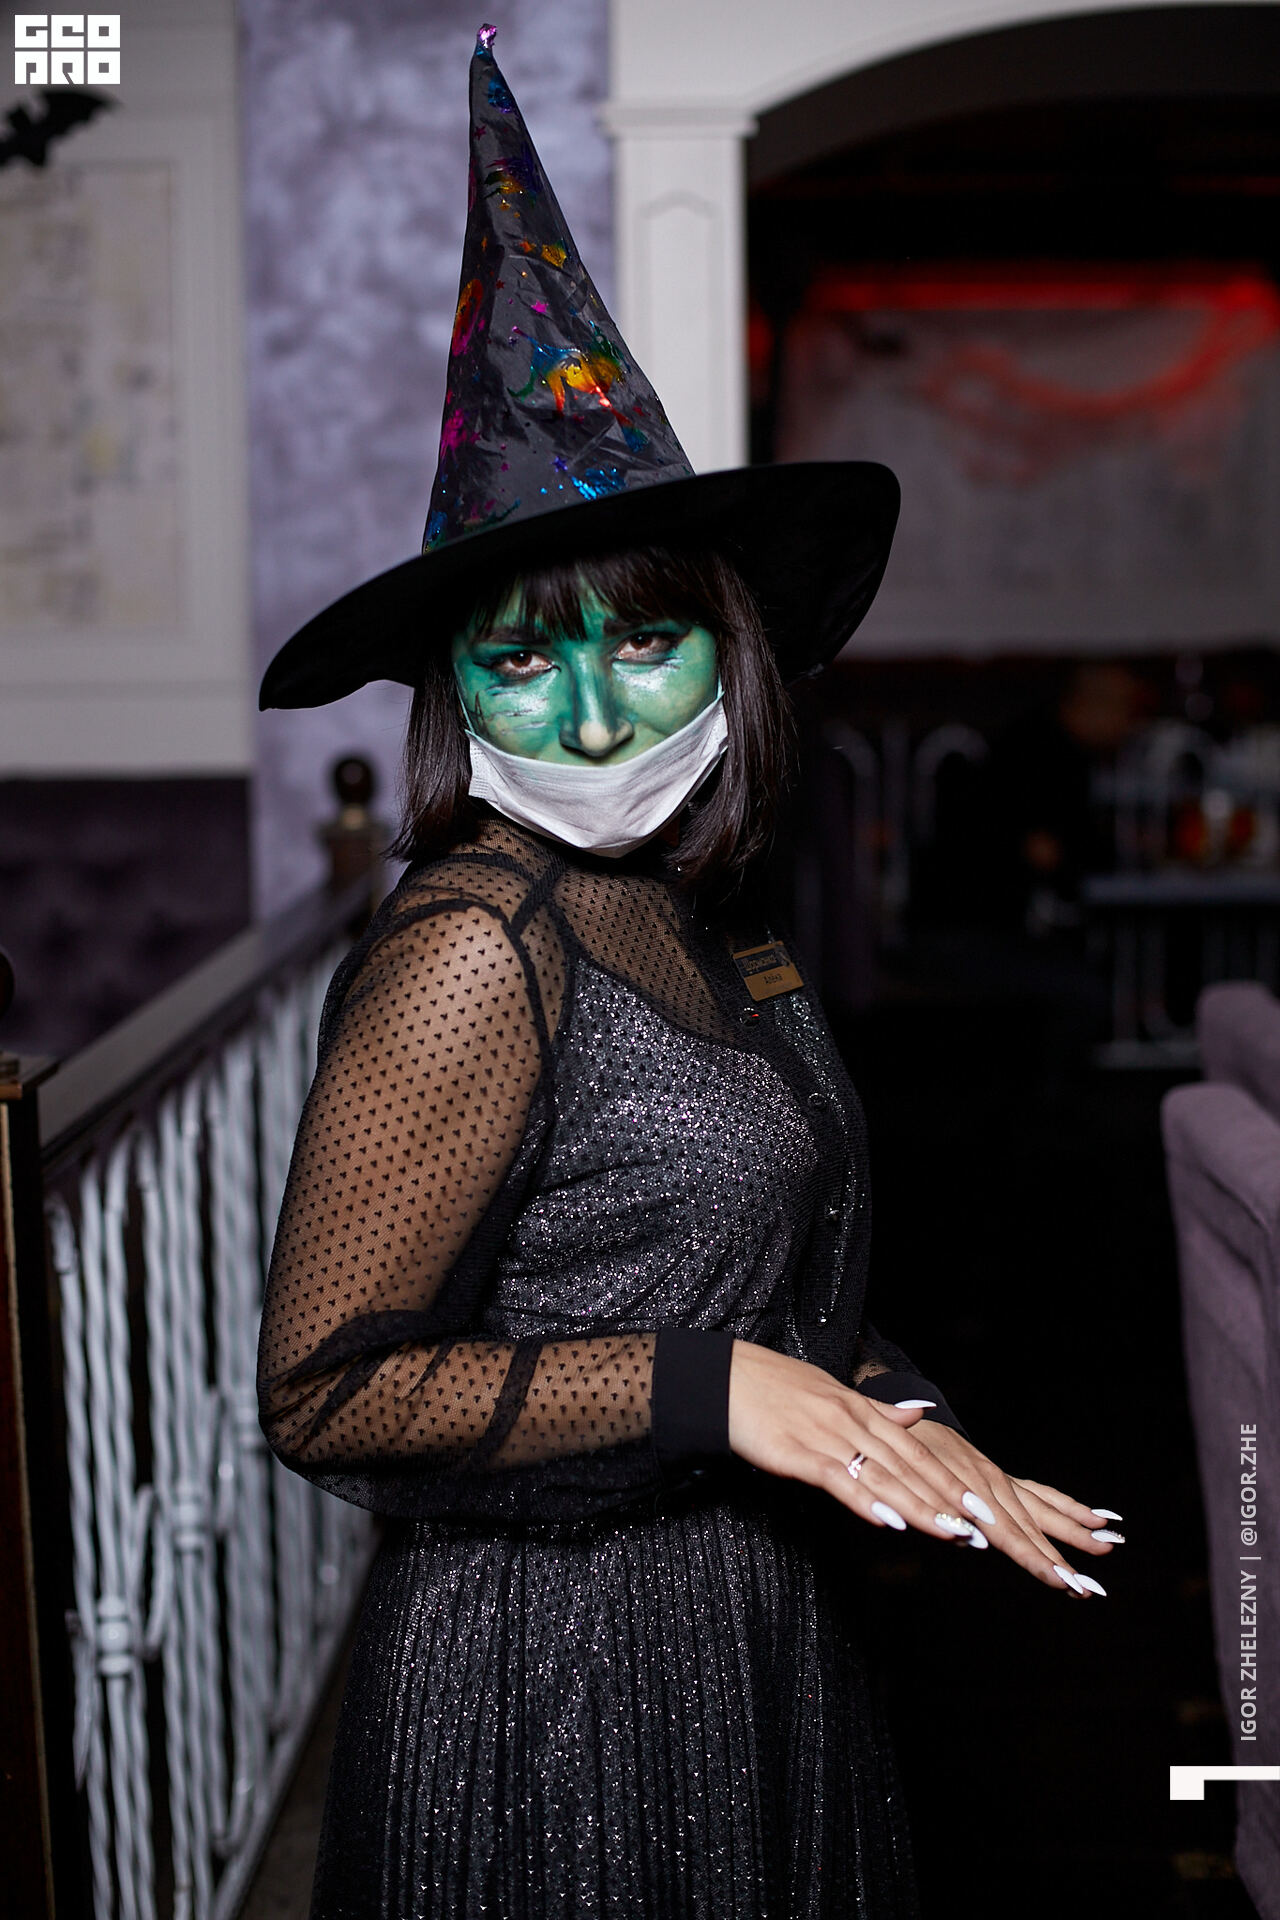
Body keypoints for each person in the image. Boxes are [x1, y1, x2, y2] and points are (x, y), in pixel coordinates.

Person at [256, 29, 1121, 1918]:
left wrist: (897, 1418)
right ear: (451, 694)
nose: (586, 718)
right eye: (519, 662)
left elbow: (746, 1279)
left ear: (732, 651)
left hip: (749, 1628)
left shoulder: (700, 906)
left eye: (642, 647)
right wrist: (714, 1391)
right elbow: (325, 1395)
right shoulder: (473, 945)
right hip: (550, 1693)